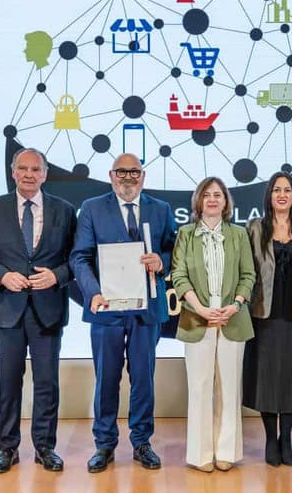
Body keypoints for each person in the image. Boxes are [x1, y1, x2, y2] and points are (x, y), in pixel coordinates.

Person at [0, 148, 77, 473]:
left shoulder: (65, 209)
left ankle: (45, 448)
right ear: (13, 172)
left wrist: (57, 276)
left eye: (35, 169)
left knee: (47, 382)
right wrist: (2, 276)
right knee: (8, 381)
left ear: (45, 174)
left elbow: (77, 257)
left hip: (48, 309)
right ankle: (7, 448)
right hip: (7, 309)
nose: (29, 174)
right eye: (23, 168)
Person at [69, 153, 176, 473]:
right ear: (111, 175)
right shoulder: (92, 208)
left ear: (143, 176)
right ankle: (104, 443)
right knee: (106, 378)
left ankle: (142, 442)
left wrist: (162, 262)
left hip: (147, 309)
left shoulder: (161, 209)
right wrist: (92, 292)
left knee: (143, 378)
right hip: (107, 309)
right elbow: (79, 257)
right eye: (121, 172)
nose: (128, 177)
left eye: (134, 172)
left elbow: (174, 249)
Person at [172, 176, 256, 472]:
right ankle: (201, 455)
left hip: (232, 318)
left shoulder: (239, 234)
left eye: (217, 195)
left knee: (229, 388)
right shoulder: (185, 234)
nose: (212, 199)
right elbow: (179, 275)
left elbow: (248, 275)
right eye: (207, 194)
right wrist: (201, 309)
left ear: (225, 202)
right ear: (199, 200)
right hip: (198, 318)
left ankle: (226, 452)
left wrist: (235, 305)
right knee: (200, 387)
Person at [243, 172, 292, 467]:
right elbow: (247, 271)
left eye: (287, 190)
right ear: (269, 195)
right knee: (266, 379)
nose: (281, 195)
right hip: (262, 315)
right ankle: (269, 439)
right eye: (276, 190)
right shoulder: (254, 228)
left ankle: (286, 438)